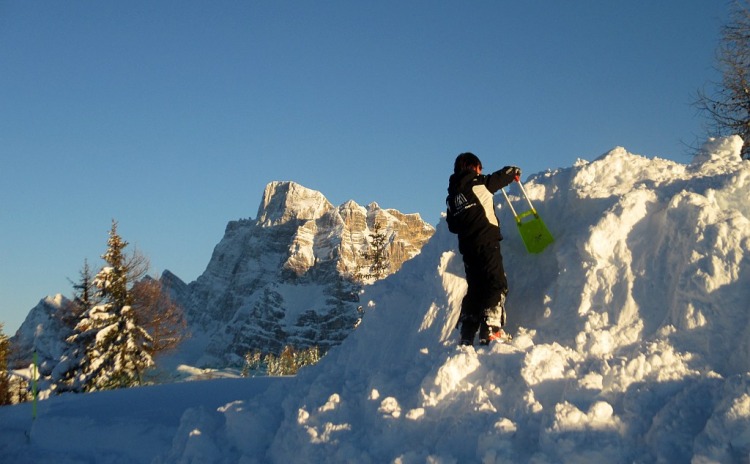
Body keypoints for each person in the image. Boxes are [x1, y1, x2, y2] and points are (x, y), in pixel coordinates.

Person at [445, 152, 521, 346]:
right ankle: (492, 328)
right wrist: (514, 172)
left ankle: (467, 333)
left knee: (476, 289)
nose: (481, 171)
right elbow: (503, 176)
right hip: (487, 242)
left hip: (468, 249)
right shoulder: (480, 183)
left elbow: (452, 226)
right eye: (480, 168)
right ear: (474, 167)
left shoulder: (452, 197)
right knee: (496, 283)